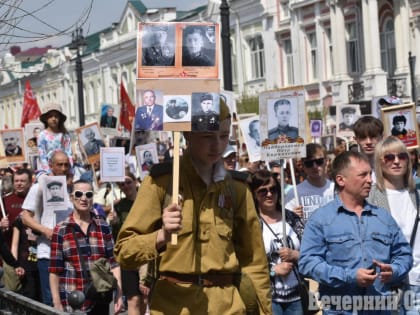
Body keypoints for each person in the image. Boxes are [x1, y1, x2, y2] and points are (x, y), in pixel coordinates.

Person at [114, 101, 272, 314]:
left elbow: (254, 262)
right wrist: (160, 236)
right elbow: (124, 251)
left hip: (227, 306)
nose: (217, 145)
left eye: (224, 136)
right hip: (175, 306)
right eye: (208, 136)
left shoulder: (237, 188)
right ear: (187, 134)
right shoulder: (161, 182)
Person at [299, 151, 413, 314]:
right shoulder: (321, 219)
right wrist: (349, 276)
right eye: (363, 175)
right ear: (341, 180)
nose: (370, 180)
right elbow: (307, 263)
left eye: (370, 174)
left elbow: (404, 255)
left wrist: (393, 270)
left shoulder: (383, 217)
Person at [49, 179, 123, 314]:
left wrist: (119, 295)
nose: (83, 198)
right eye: (78, 194)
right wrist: (56, 302)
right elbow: (54, 270)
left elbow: (114, 263)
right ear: (72, 198)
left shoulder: (103, 226)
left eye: (88, 194)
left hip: (100, 297)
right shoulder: (61, 229)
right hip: (72, 300)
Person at [367, 136, 420, 315]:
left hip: (416, 280)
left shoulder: (417, 194)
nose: (396, 161)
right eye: (389, 157)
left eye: (402, 156)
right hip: (386, 283)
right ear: (379, 162)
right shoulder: (370, 198)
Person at [21, 150, 73, 306]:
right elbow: (25, 217)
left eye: (66, 165)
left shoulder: (71, 188)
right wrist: (46, 231)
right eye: (60, 164)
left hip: (69, 253)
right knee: (51, 302)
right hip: (48, 253)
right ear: (51, 165)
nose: (64, 168)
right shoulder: (38, 187)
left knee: (71, 300)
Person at [250, 170, 304, 315]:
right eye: (263, 191)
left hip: (297, 297)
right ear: (254, 194)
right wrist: (273, 271)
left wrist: (296, 254)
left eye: (273, 189)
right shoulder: (251, 224)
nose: (269, 194)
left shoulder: (292, 218)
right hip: (268, 298)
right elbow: (249, 265)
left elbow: (311, 253)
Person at [111, 171, 149, 315]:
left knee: (145, 298)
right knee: (133, 299)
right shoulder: (118, 207)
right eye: (122, 184)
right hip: (128, 256)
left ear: (135, 182)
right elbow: (117, 237)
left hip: (146, 255)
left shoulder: (147, 202)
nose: (126, 186)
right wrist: (114, 223)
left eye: (128, 182)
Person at [0, 168, 33, 292]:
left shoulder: (35, 199)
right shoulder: (4, 201)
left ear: (30, 182)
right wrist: (1, 224)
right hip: (10, 254)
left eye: (22, 181)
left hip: (32, 254)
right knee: (14, 290)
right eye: (16, 181)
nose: (19, 183)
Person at [285, 143, 335, 222]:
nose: (314, 166)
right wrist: (292, 216)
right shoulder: (294, 193)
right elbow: (286, 224)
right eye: (309, 163)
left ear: (327, 162)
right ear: (303, 166)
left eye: (319, 161)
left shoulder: (337, 190)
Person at [38, 103, 73, 173]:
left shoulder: (64, 134)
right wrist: (48, 171)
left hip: (64, 166)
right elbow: (42, 155)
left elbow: (69, 152)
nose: (54, 119)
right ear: (46, 118)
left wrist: (70, 168)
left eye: (56, 116)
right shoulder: (42, 135)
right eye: (50, 116)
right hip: (49, 167)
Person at [353, 116, 384, 183]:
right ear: (356, 140)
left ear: (381, 137)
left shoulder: (391, 166)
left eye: (373, 137)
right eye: (363, 137)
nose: (368, 142)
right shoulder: (351, 169)